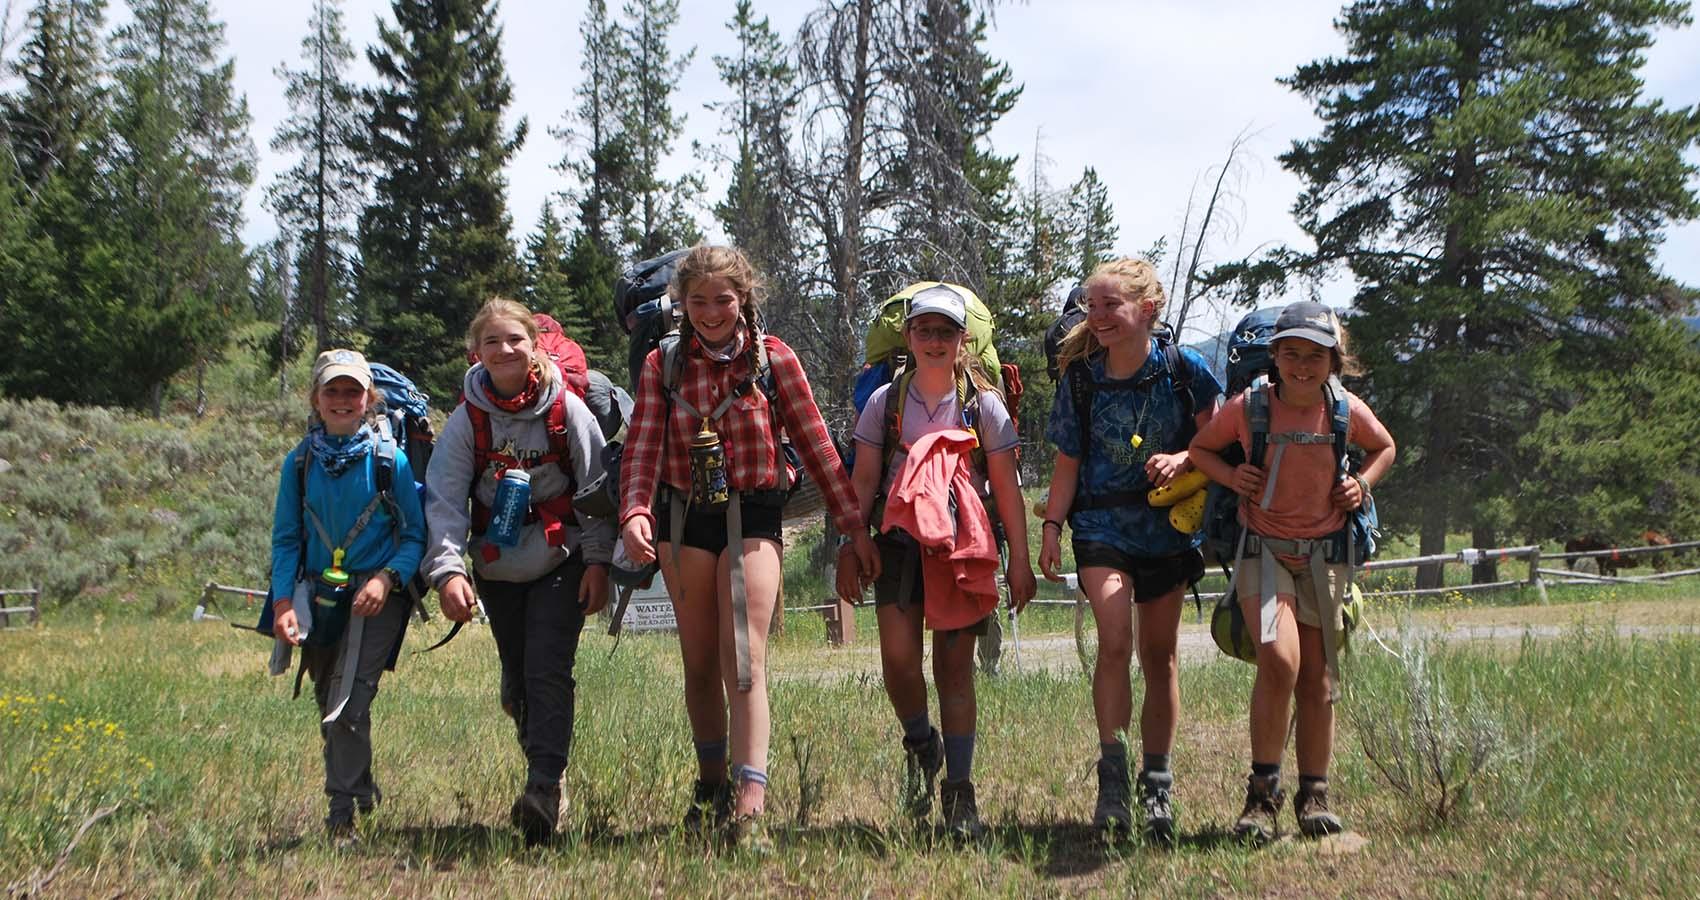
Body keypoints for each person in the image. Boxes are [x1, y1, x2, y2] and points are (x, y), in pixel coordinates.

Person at [618, 245, 877, 846]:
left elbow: (817, 448)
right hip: (684, 520)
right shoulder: (664, 364)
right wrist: (634, 511)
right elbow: (644, 447)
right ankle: (709, 787)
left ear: (745, 299)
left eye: (723, 300)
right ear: (681, 303)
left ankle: (750, 804)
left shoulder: (774, 360)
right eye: (698, 301)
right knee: (700, 661)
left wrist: (854, 528)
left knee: (743, 654)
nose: (710, 312)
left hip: (754, 515)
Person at [1188, 300, 1394, 844]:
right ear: (1274, 357)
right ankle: (1262, 796)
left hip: (1325, 556)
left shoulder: (1345, 409)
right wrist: (1234, 480)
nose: (1303, 365)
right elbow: (1200, 449)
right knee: (1279, 661)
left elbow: (1385, 447)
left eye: (1315, 356)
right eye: (1292, 354)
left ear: (1334, 361)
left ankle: (1314, 796)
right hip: (1265, 553)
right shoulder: (1250, 406)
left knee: (1319, 680)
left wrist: (1363, 484)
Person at [1037, 258, 1222, 845]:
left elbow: (1219, 439)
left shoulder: (1183, 369)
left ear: (1147, 310)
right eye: (1091, 308)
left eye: (1109, 307)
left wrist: (1185, 459)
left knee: (1160, 655)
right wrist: (1051, 527)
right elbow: (1067, 463)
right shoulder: (1081, 379)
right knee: (1115, 641)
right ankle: (1111, 777)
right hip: (1100, 527)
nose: (1097, 319)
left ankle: (1157, 783)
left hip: (1167, 528)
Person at [846, 285, 1038, 838]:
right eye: (924, 330)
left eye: (945, 332)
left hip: (963, 548)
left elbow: (1006, 489)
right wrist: (851, 543)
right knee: (898, 661)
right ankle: (919, 742)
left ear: (962, 340)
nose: (934, 341)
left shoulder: (985, 407)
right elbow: (863, 481)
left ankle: (959, 792)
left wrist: (1018, 562)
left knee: (953, 671)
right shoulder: (886, 404)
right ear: (908, 338)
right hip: (899, 545)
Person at [425, 298, 614, 846]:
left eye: (515, 340)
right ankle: (549, 777)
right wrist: (447, 572)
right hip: (496, 567)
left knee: (547, 669)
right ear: (474, 353)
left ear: (534, 347)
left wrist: (598, 562)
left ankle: (543, 790)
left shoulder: (567, 410)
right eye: (492, 342)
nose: (505, 350)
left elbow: (597, 488)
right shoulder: (469, 418)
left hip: (561, 559)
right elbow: (443, 498)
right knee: (518, 684)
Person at [269, 349, 426, 843]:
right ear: (315, 399)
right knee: (327, 699)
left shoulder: (389, 461)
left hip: (378, 597)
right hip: (317, 598)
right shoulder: (299, 463)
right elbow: (286, 539)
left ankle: (341, 817)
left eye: (351, 391)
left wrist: (386, 580)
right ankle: (359, 790)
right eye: (331, 390)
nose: (342, 400)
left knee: (349, 701)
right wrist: (280, 605)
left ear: (368, 399)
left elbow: (414, 537)